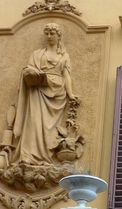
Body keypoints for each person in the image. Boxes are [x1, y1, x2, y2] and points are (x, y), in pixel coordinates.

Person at [11, 22, 77, 166]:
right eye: (46, 34)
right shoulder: (36, 54)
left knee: (50, 127)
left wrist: (70, 94)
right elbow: (28, 70)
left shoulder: (64, 56)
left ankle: (45, 156)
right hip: (38, 90)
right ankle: (28, 155)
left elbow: (66, 76)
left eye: (52, 33)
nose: (49, 36)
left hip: (57, 92)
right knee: (34, 122)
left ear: (58, 36)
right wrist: (30, 71)